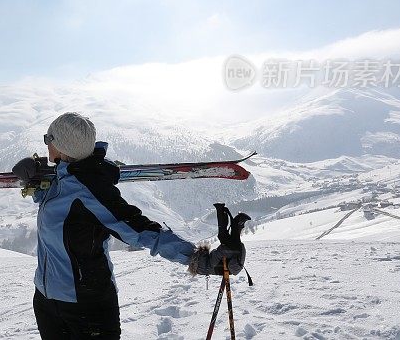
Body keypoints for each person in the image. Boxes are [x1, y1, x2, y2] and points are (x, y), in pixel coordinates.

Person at [13, 112, 246, 340]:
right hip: (46, 303)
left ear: (62, 147)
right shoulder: (61, 179)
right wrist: (35, 184)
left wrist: (201, 260)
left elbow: (142, 231)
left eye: (47, 138)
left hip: (87, 309)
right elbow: (61, 212)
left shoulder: (91, 191)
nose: (45, 144)